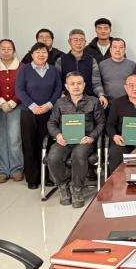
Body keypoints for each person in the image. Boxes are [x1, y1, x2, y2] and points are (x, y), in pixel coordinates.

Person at [46, 71, 105, 208]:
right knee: (53, 157)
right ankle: (63, 186)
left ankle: (77, 189)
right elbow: (51, 122)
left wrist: (92, 137)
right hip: (65, 140)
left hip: (84, 140)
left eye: (79, 83)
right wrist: (57, 135)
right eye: (72, 84)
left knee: (78, 155)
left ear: (84, 85)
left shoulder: (93, 101)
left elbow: (101, 123)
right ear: (67, 86)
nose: (76, 86)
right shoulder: (60, 102)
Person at [16, 42, 63, 189]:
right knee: (29, 145)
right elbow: (19, 89)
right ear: (32, 55)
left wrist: (49, 104)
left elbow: (58, 88)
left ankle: (46, 176)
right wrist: (33, 106)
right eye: (37, 52)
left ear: (48, 54)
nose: (41, 55)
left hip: (48, 112)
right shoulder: (24, 69)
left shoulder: (53, 70)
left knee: (46, 145)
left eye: (44, 52)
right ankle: (32, 178)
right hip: (29, 112)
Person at [0, 39, 24, 184]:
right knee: (0, 140)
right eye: (3, 49)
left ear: (14, 51)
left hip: (16, 106)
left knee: (14, 138)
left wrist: (12, 102)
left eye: (9, 49)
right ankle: (2, 170)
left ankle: (17, 169)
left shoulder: (22, 67)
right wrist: (1, 102)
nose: (6, 51)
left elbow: (23, 86)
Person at [55, 29, 108, 108]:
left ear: (85, 42)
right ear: (69, 42)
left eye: (81, 40)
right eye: (75, 40)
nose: (79, 43)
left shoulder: (92, 60)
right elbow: (58, 83)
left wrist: (101, 95)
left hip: (88, 100)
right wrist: (61, 95)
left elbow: (96, 82)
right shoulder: (61, 60)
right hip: (67, 101)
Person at [99, 38, 135, 103]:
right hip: (108, 103)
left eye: (121, 47)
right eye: (115, 47)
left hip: (128, 102)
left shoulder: (132, 65)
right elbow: (98, 83)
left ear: (124, 49)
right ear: (110, 50)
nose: (118, 50)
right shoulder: (102, 65)